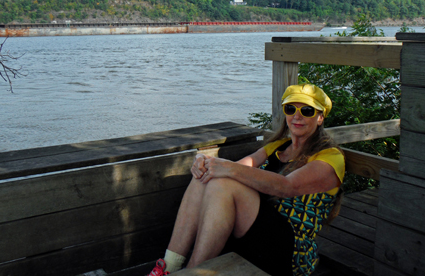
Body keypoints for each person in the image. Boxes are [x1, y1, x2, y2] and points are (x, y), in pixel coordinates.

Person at [147, 84, 345, 276]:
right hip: (255, 233)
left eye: (307, 110)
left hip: (289, 250)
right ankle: (170, 267)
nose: (297, 116)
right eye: (291, 108)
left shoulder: (330, 157)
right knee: (204, 177)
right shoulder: (277, 146)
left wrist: (225, 167)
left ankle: (193, 272)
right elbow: (239, 168)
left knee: (223, 181)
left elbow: (287, 187)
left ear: (320, 117)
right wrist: (204, 163)